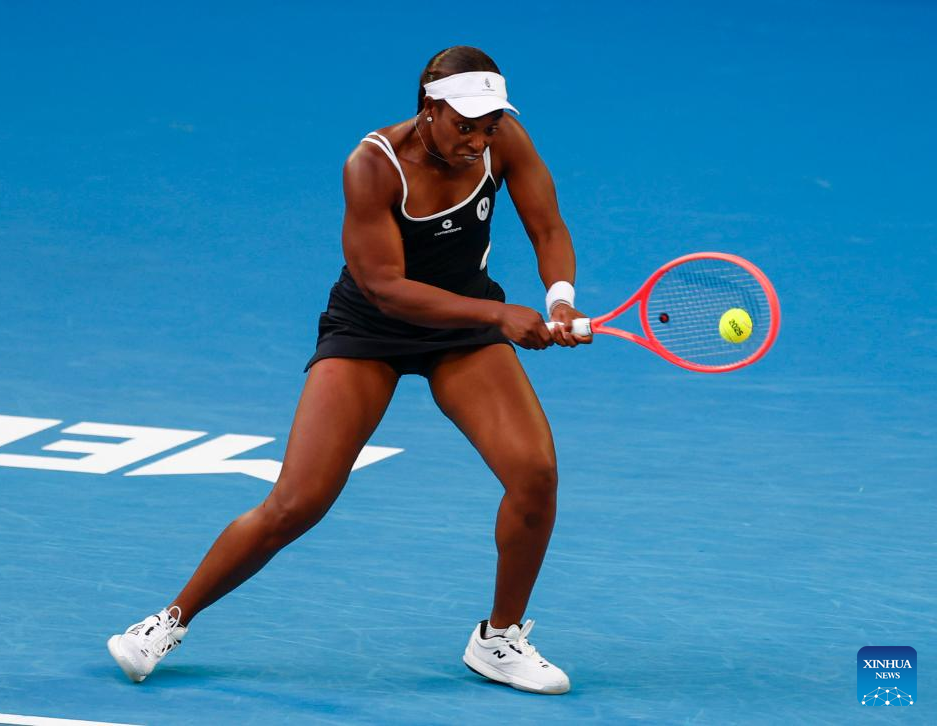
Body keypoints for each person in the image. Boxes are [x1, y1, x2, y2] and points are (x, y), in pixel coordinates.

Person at [107, 45, 591, 695]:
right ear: (429, 108)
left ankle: (498, 640)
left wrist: (559, 298)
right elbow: (386, 287)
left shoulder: (502, 142)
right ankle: (168, 620)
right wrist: (500, 315)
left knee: (535, 474)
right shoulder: (373, 165)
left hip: (463, 332)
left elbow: (547, 227)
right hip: (371, 331)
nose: (478, 140)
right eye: (464, 125)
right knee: (297, 502)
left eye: (489, 126)